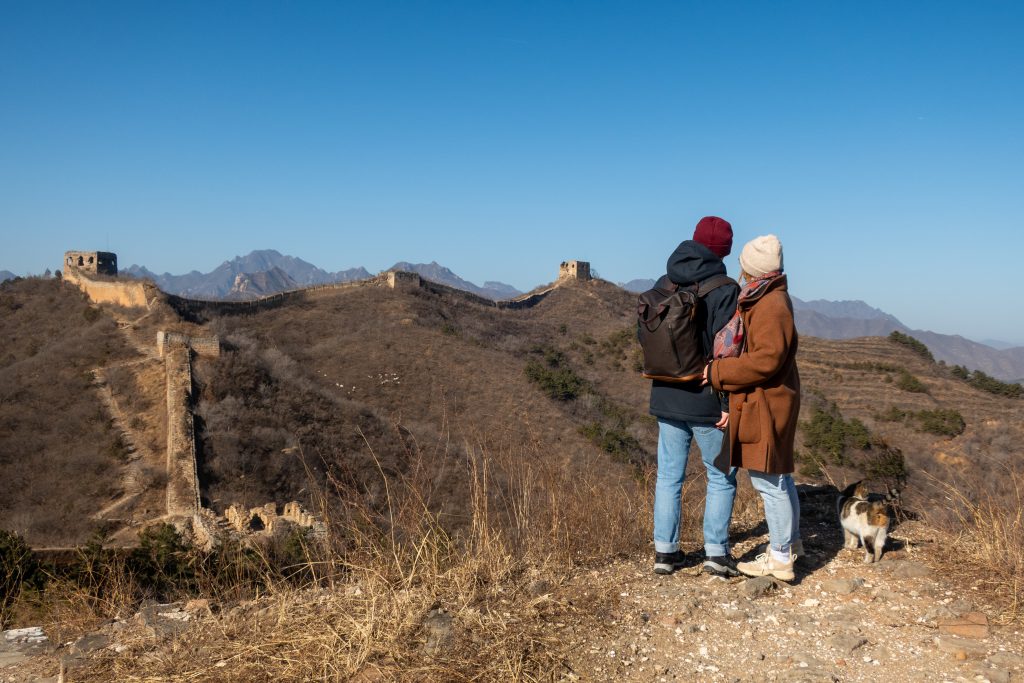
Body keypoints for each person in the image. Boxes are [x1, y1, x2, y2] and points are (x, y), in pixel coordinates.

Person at [703, 234, 802, 581]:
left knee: (768, 480)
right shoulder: (766, 297)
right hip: (768, 398)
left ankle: (779, 558)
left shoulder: (770, 303)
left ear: (752, 268)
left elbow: (767, 359)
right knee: (779, 475)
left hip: (767, 401)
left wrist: (718, 372)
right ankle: (790, 544)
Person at [650, 216, 742, 577]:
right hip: (707, 399)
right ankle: (716, 555)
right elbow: (729, 350)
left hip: (666, 393)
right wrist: (727, 404)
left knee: (669, 477)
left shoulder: (663, 282)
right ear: (724, 251)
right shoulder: (726, 289)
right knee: (720, 475)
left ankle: (665, 554)